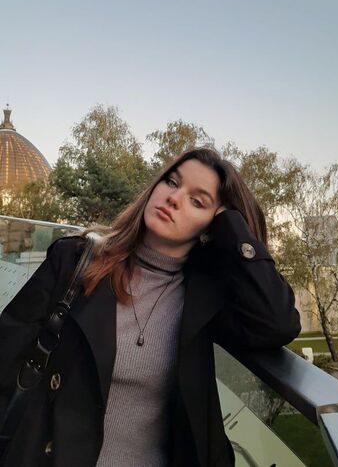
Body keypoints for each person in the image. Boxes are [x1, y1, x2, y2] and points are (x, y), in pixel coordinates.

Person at [0, 147, 301, 467]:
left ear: (210, 228)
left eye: (197, 202)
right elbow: (5, 358)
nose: (174, 198)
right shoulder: (73, 262)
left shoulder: (204, 300)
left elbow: (278, 323)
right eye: (172, 182)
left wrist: (232, 225)